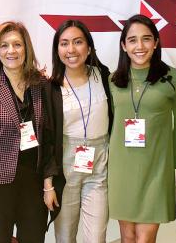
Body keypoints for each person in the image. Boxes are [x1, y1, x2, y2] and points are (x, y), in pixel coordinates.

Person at [108, 14, 176, 243]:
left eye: (146, 39)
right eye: (132, 40)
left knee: (145, 238)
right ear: (124, 45)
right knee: (127, 236)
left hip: (156, 168)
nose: (139, 46)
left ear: (156, 42)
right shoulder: (114, 80)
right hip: (122, 167)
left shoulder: (175, 78)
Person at [0, 21, 48, 242]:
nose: (11, 51)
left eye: (17, 45)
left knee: (34, 237)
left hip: (34, 181)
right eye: (4, 45)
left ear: (26, 48)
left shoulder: (40, 84)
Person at [43, 20, 113, 243]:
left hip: (99, 166)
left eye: (78, 42)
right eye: (64, 43)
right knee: (65, 237)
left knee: (97, 237)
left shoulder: (102, 75)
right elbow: (46, 139)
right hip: (66, 168)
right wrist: (48, 185)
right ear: (57, 50)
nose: (71, 50)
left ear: (89, 47)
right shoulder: (51, 87)